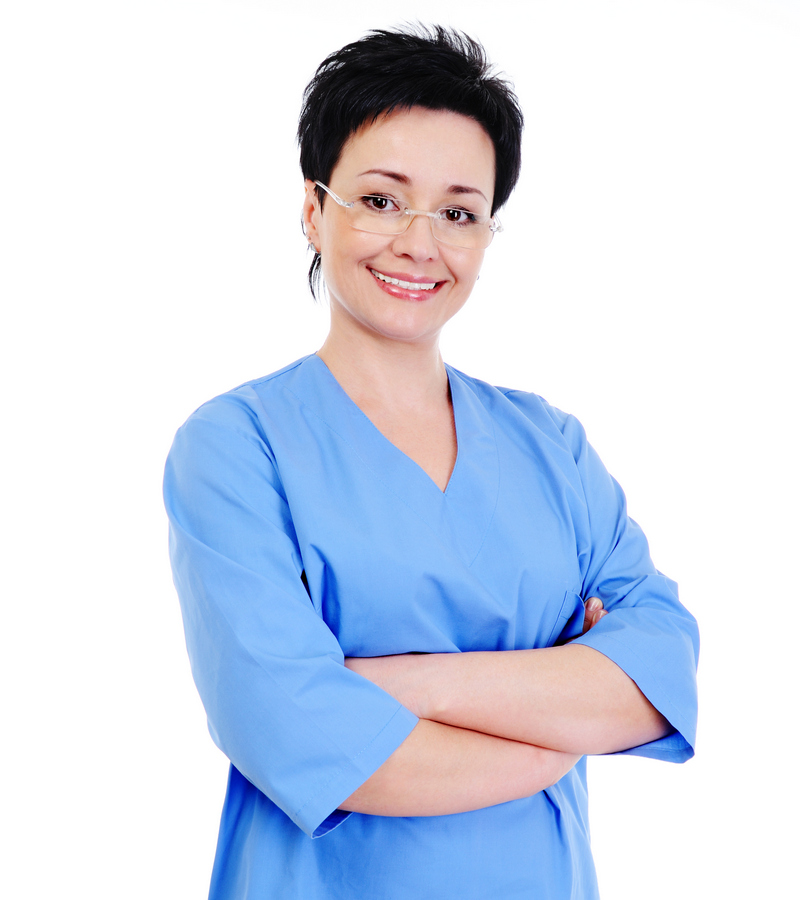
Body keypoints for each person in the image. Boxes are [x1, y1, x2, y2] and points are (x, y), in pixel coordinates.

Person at [164, 25, 699, 900]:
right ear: (313, 210)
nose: (419, 242)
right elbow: (296, 733)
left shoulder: (552, 445)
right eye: (381, 199)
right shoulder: (237, 445)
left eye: (457, 212)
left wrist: (394, 684)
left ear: (486, 234)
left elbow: (657, 679)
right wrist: (556, 727)